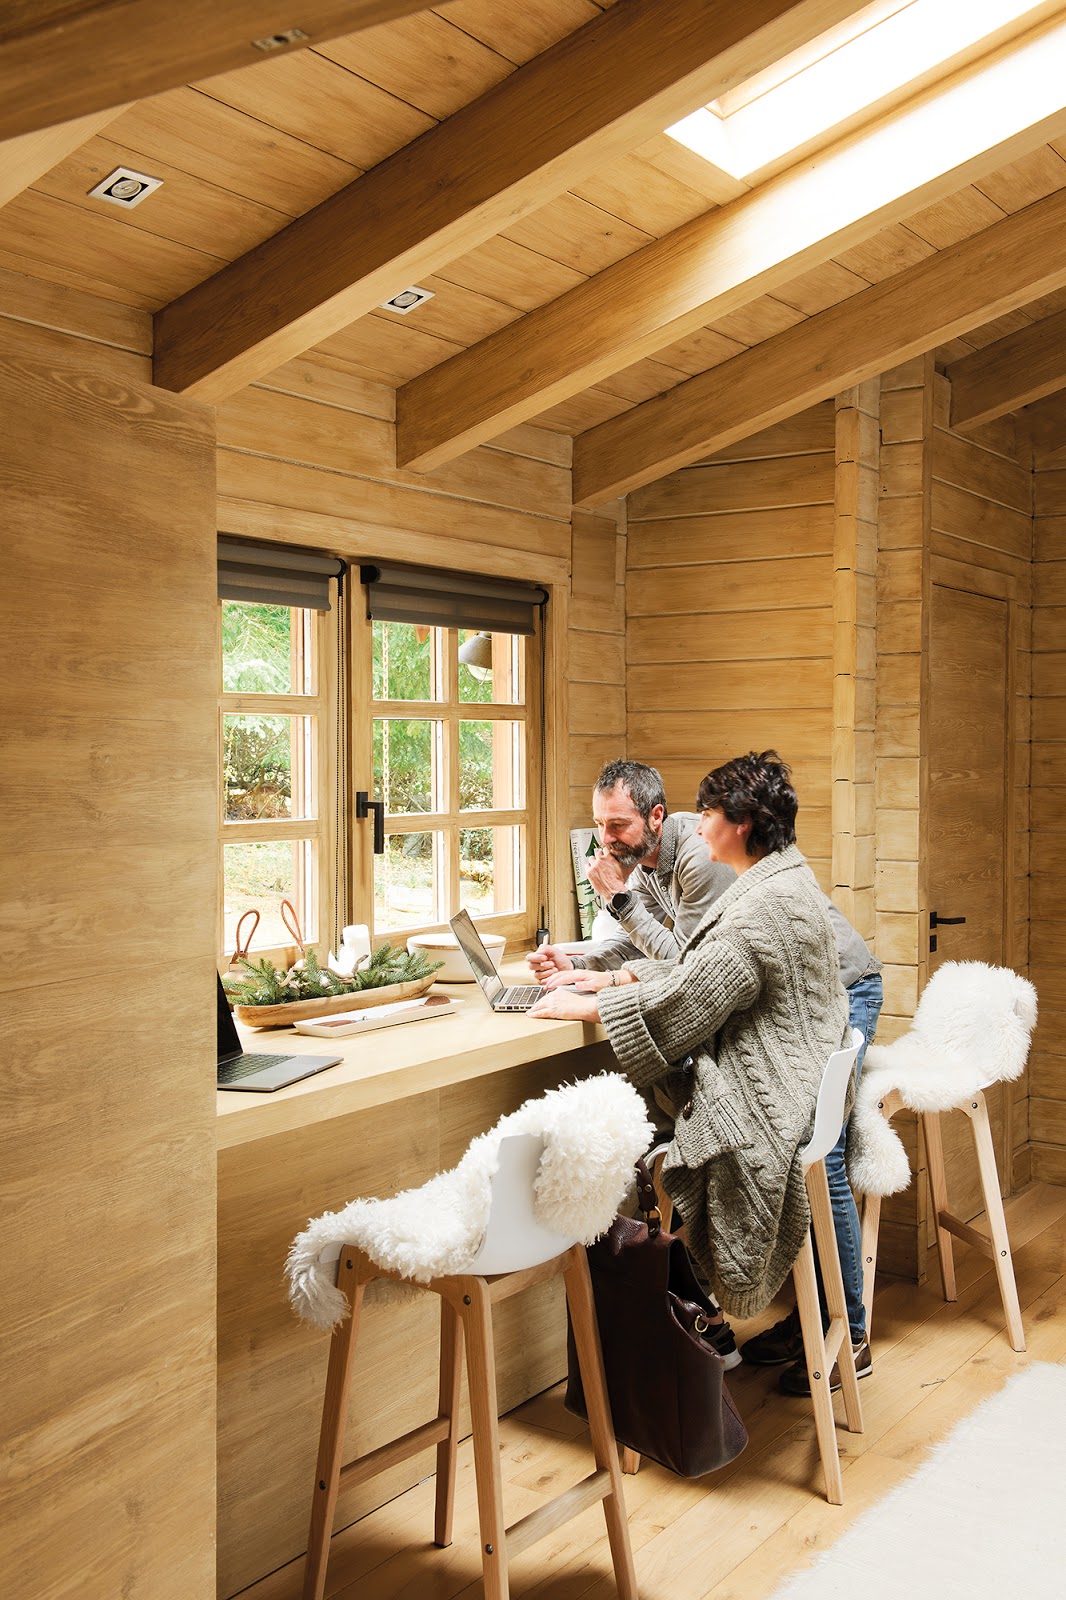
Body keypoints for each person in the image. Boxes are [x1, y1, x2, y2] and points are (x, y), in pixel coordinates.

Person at [533, 758, 883, 1390]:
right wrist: (595, 968)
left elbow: (696, 980)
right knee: (724, 1121)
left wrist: (596, 1003)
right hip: (795, 1008)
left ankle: (844, 1334)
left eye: (710, 815)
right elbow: (689, 960)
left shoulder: (731, 884)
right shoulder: (772, 874)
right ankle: (761, 1320)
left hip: (843, 990)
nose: (699, 827)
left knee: (811, 1154)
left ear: (740, 824)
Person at [528, 759, 734, 979]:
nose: (605, 838)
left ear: (656, 816)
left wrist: (617, 896)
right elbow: (634, 941)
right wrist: (576, 965)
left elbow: (684, 963)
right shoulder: (640, 853)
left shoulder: (702, 855)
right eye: (600, 824)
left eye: (618, 825)